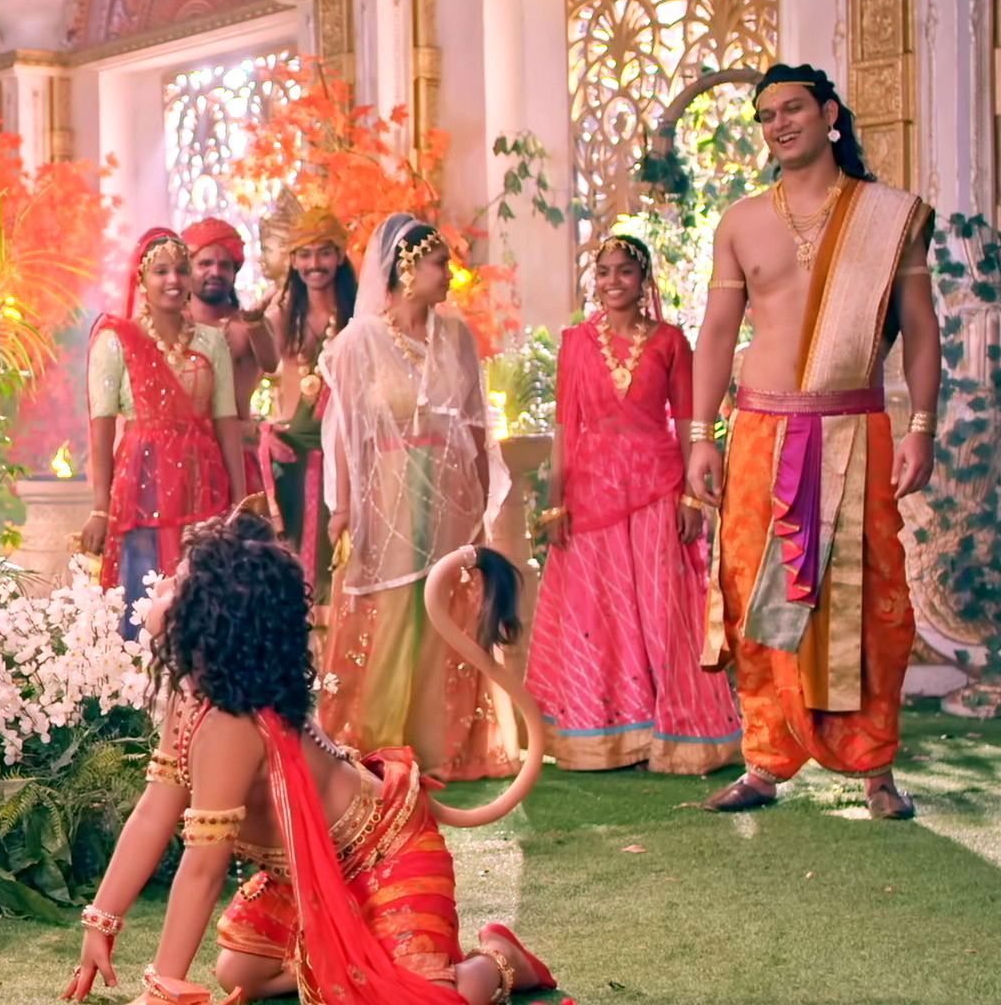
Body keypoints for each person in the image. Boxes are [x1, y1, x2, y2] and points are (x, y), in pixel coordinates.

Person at [60, 513, 553, 1005]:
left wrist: (162, 991)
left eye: (178, 581)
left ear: (210, 615)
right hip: (304, 875)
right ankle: (342, 963)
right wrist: (101, 921)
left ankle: (497, 960)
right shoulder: (193, 695)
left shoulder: (231, 720)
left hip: (383, 853)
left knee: (418, 1000)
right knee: (239, 974)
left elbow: (204, 868)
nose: (162, 585)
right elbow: (153, 812)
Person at [688, 63, 939, 820]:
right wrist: (701, 435)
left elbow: (920, 327)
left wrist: (922, 427)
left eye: (792, 109)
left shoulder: (888, 215)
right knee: (755, 596)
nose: (779, 125)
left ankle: (876, 769)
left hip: (854, 428)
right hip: (760, 430)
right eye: (766, 116)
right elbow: (717, 334)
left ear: (829, 114)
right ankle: (764, 762)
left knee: (873, 601)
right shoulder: (740, 221)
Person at [527, 235, 742, 774]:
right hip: (591, 494)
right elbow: (565, 427)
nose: (613, 282)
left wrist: (691, 495)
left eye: (625, 271)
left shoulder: (670, 342)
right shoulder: (575, 343)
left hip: (657, 488)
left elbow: (690, 421)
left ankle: (672, 734)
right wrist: (554, 503)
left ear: (644, 280)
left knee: (663, 608)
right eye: (604, 272)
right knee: (598, 611)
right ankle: (602, 734)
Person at [317, 214, 518, 782]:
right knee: (394, 606)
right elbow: (347, 433)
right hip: (387, 488)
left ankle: (443, 747)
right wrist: (345, 508)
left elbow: (475, 422)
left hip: (452, 489)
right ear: (405, 269)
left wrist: (481, 499)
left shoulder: (456, 336)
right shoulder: (359, 342)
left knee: (448, 605)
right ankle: (379, 743)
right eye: (438, 264)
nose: (449, 275)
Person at [79, 229, 247, 623]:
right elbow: (102, 431)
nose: (173, 280)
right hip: (142, 484)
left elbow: (226, 423)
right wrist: (101, 509)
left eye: (181, 270)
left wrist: (242, 503)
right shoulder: (115, 340)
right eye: (161, 271)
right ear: (141, 279)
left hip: (203, 480)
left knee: (204, 589)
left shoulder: (211, 341)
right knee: (144, 588)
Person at [253, 198, 356, 605]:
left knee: (341, 560)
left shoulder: (357, 315)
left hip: (344, 453)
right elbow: (265, 363)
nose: (315, 264)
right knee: (295, 562)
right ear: (293, 261)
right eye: (306, 254)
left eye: (324, 253)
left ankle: (337, 637)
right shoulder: (282, 314)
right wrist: (251, 322)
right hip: (294, 453)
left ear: (340, 255)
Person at [182, 218, 278, 490]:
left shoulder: (245, 326)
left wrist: (256, 323)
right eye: (205, 264)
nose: (215, 272)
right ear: (187, 268)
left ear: (235, 271)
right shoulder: (170, 327)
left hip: (238, 456)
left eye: (225, 265)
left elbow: (271, 363)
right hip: (182, 458)